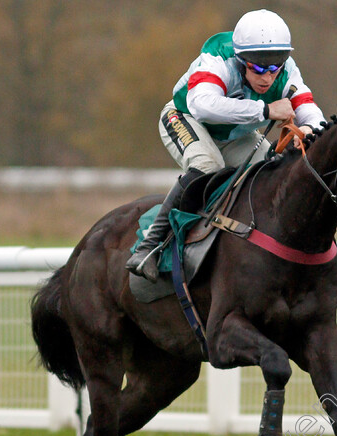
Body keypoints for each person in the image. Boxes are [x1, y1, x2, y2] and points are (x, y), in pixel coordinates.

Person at [127, 9, 326, 282]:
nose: (267, 77)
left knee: (274, 171)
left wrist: (308, 129)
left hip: (233, 134)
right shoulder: (218, 57)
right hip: (185, 117)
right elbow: (203, 106)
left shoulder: (287, 69)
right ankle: (149, 247)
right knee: (208, 166)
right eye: (257, 67)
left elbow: (311, 110)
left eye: (274, 67)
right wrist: (266, 110)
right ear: (240, 59)